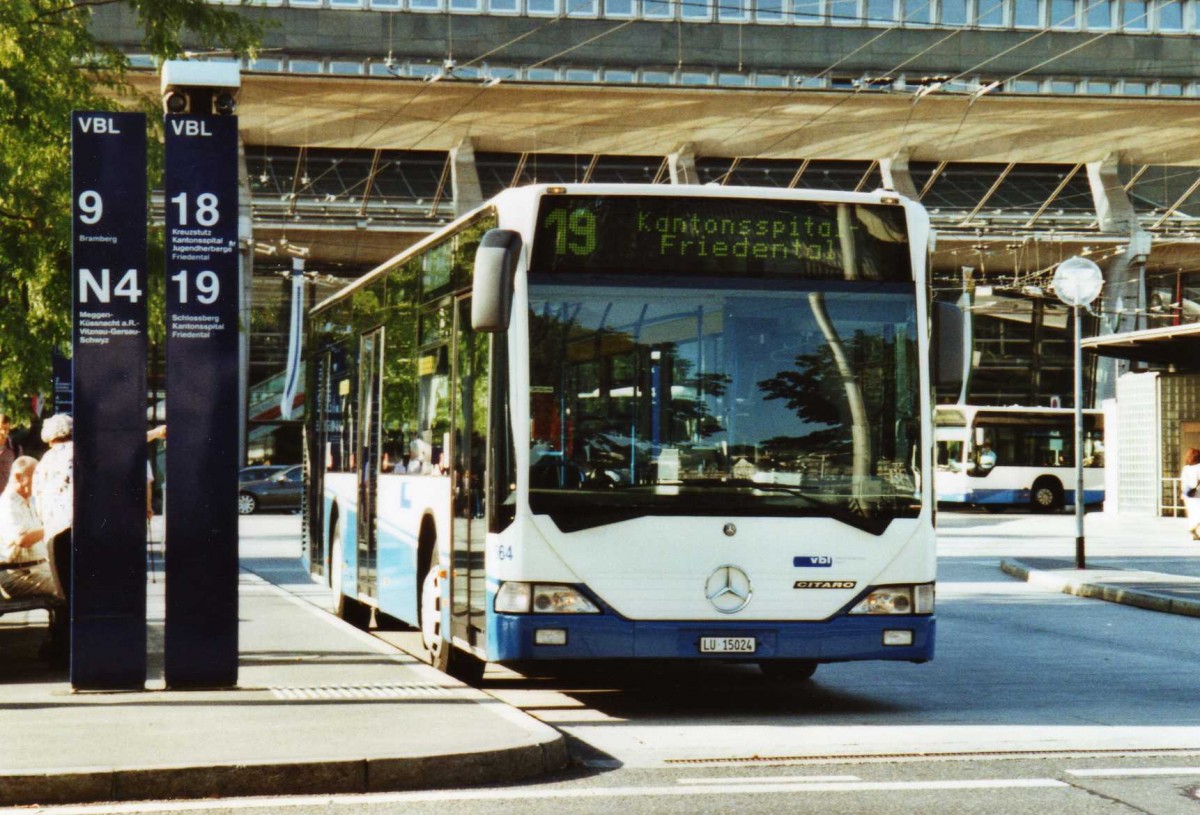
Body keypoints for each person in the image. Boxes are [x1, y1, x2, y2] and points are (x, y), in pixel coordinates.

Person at [33, 414, 73, 664]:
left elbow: (38, 500)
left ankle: (61, 646)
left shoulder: (44, 461)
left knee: (63, 592)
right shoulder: (78, 452)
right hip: (76, 527)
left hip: (54, 532)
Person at [0, 456, 59, 602]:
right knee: (69, 584)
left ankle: (62, 624)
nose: (40, 482)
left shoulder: (30, 501)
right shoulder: (7, 505)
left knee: (78, 577)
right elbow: (23, 539)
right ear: (19, 477)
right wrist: (54, 525)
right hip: (19, 574)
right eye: (35, 477)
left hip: (37, 570)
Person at [0, 413, 24, 490]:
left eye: (6, 429)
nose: (4, 432)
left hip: (7, 497)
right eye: (1, 429)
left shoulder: (16, 449)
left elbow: (21, 473)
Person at [1180, 448, 1200, 540]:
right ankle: (1196, 531)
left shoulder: (1186, 468)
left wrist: (1183, 492)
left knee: (1192, 513)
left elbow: (1183, 481)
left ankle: (1193, 530)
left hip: (1187, 495)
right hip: (1198, 494)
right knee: (1198, 514)